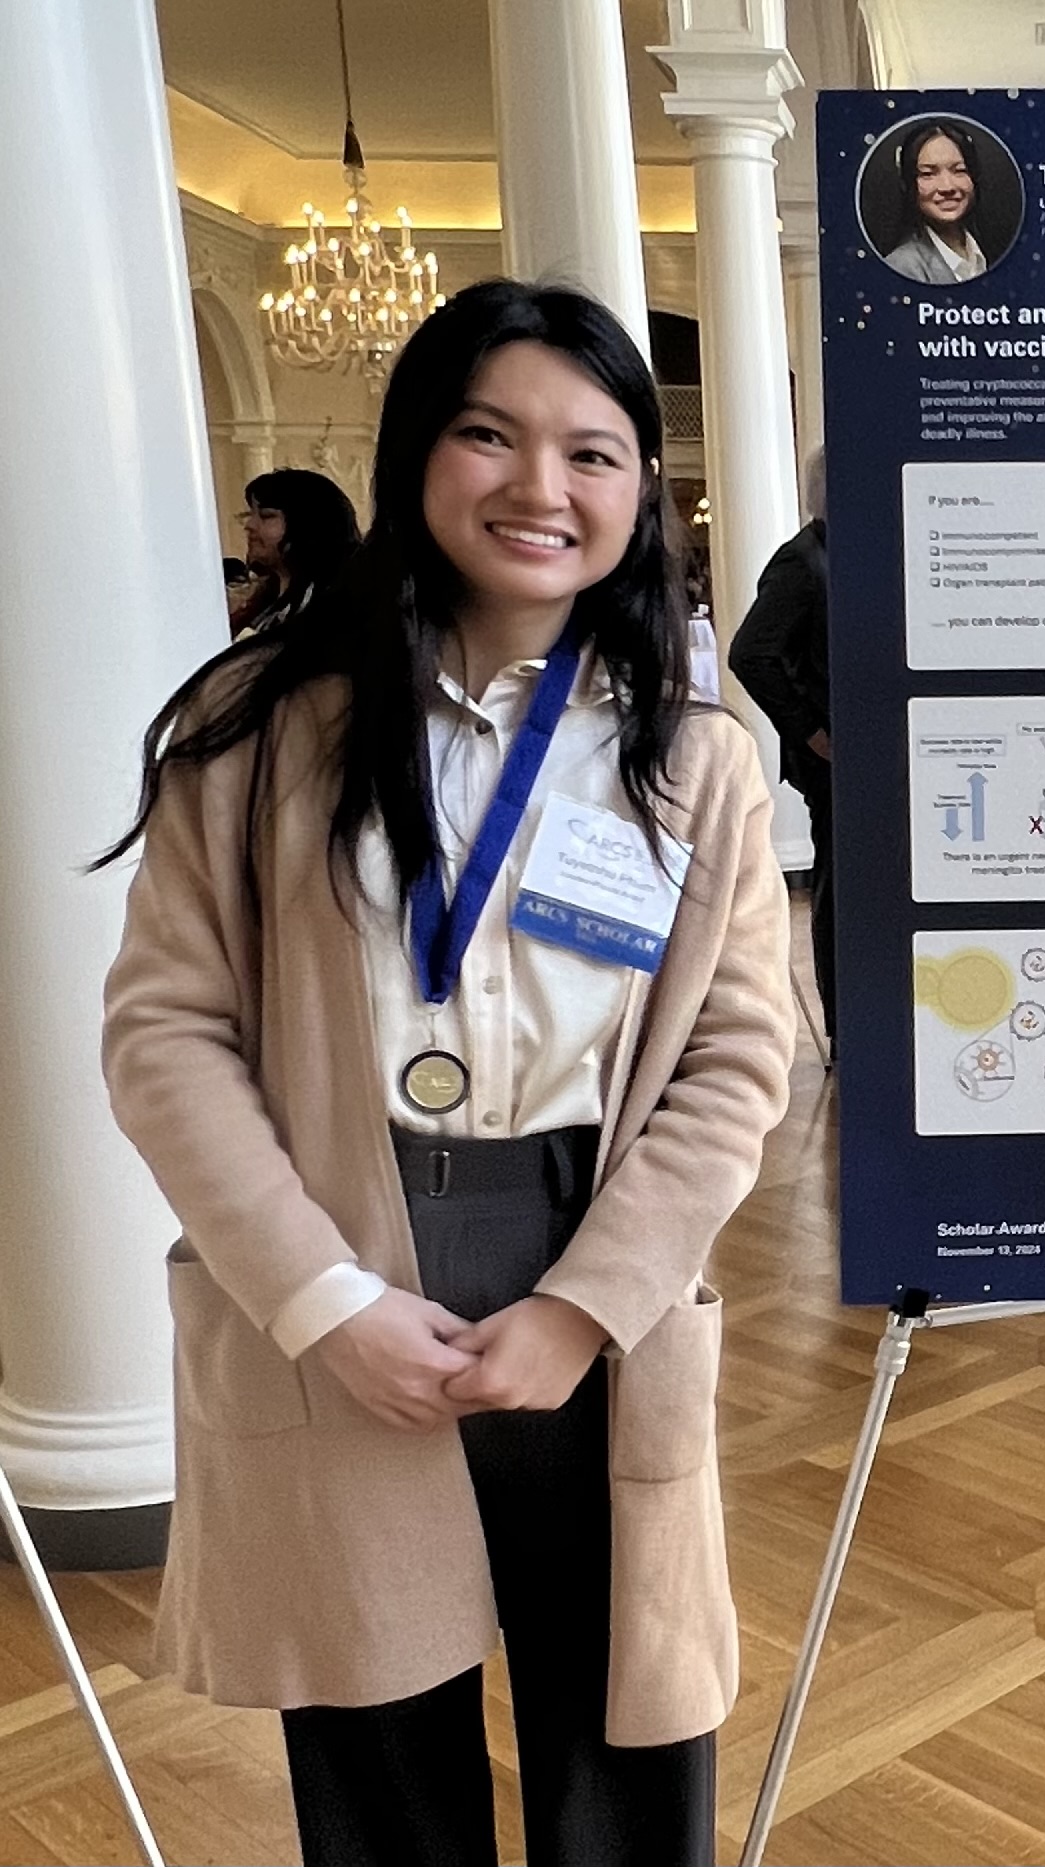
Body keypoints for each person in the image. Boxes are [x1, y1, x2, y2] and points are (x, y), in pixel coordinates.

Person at [101, 279, 795, 1867]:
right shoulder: (258, 727)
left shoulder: (691, 756)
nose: (540, 486)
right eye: (490, 434)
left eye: (592, 452)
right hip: (339, 1245)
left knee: (622, 1722)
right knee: (374, 1726)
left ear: (639, 487)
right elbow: (164, 1030)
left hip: (589, 1254)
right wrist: (320, 1298)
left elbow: (734, 1055)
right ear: (418, 449)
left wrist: (586, 1304)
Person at [727, 447, 835, 1053]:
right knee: (836, 894)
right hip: (831, 763)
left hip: (858, 759)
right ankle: (842, 1028)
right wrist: (812, 732)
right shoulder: (802, 560)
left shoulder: (841, 553)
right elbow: (751, 654)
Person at [233, 466, 362, 636]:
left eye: (266, 516)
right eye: (250, 515)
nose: (249, 525)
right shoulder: (260, 604)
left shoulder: (335, 608)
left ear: (306, 526)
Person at [879, 119, 995, 284]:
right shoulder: (903, 266)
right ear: (908, 184)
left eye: (959, 170)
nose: (947, 187)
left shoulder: (988, 251)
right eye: (928, 174)